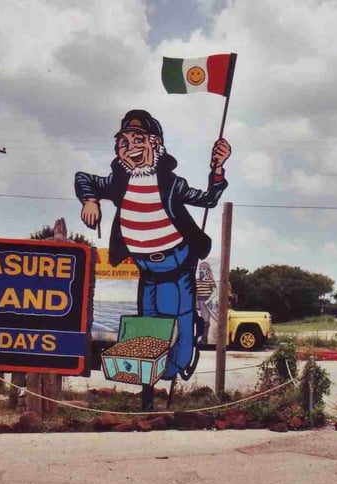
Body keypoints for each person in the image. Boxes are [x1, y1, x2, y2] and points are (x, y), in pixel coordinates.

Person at [74, 109, 231, 380]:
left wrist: (217, 168)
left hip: (175, 265)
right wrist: (90, 200)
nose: (130, 148)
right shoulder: (118, 183)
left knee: (173, 319)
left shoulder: (171, 184)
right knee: (147, 325)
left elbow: (208, 199)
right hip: (145, 268)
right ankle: (150, 377)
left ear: (155, 144)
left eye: (138, 141)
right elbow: (83, 178)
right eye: (124, 143)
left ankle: (177, 365)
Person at [195, 261, 218, 344]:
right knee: (197, 319)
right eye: (200, 269)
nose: (201, 270)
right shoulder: (197, 281)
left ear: (208, 271)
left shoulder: (210, 281)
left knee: (205, 321)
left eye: (204, 269)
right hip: (198, 301)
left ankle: (204, 339)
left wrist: (208, 300)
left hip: (206, 302)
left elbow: (215, 292)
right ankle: (197, 337)